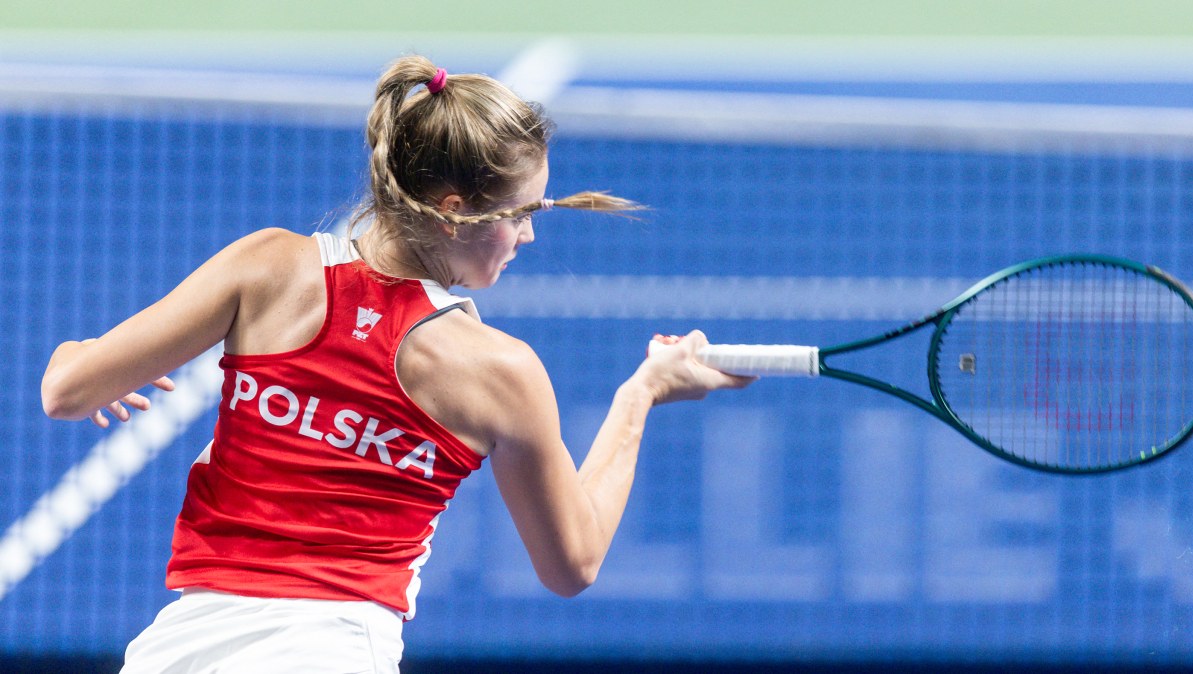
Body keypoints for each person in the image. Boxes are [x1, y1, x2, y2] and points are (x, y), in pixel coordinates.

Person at [40, 55, 751, 673]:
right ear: (453, 212)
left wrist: (81, 355)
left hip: (182, 650)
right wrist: (642, 395)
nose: (529, 234)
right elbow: (573, 563)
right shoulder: (500, 372)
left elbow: (66, 392)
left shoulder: (268, 267)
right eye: (519, 212)